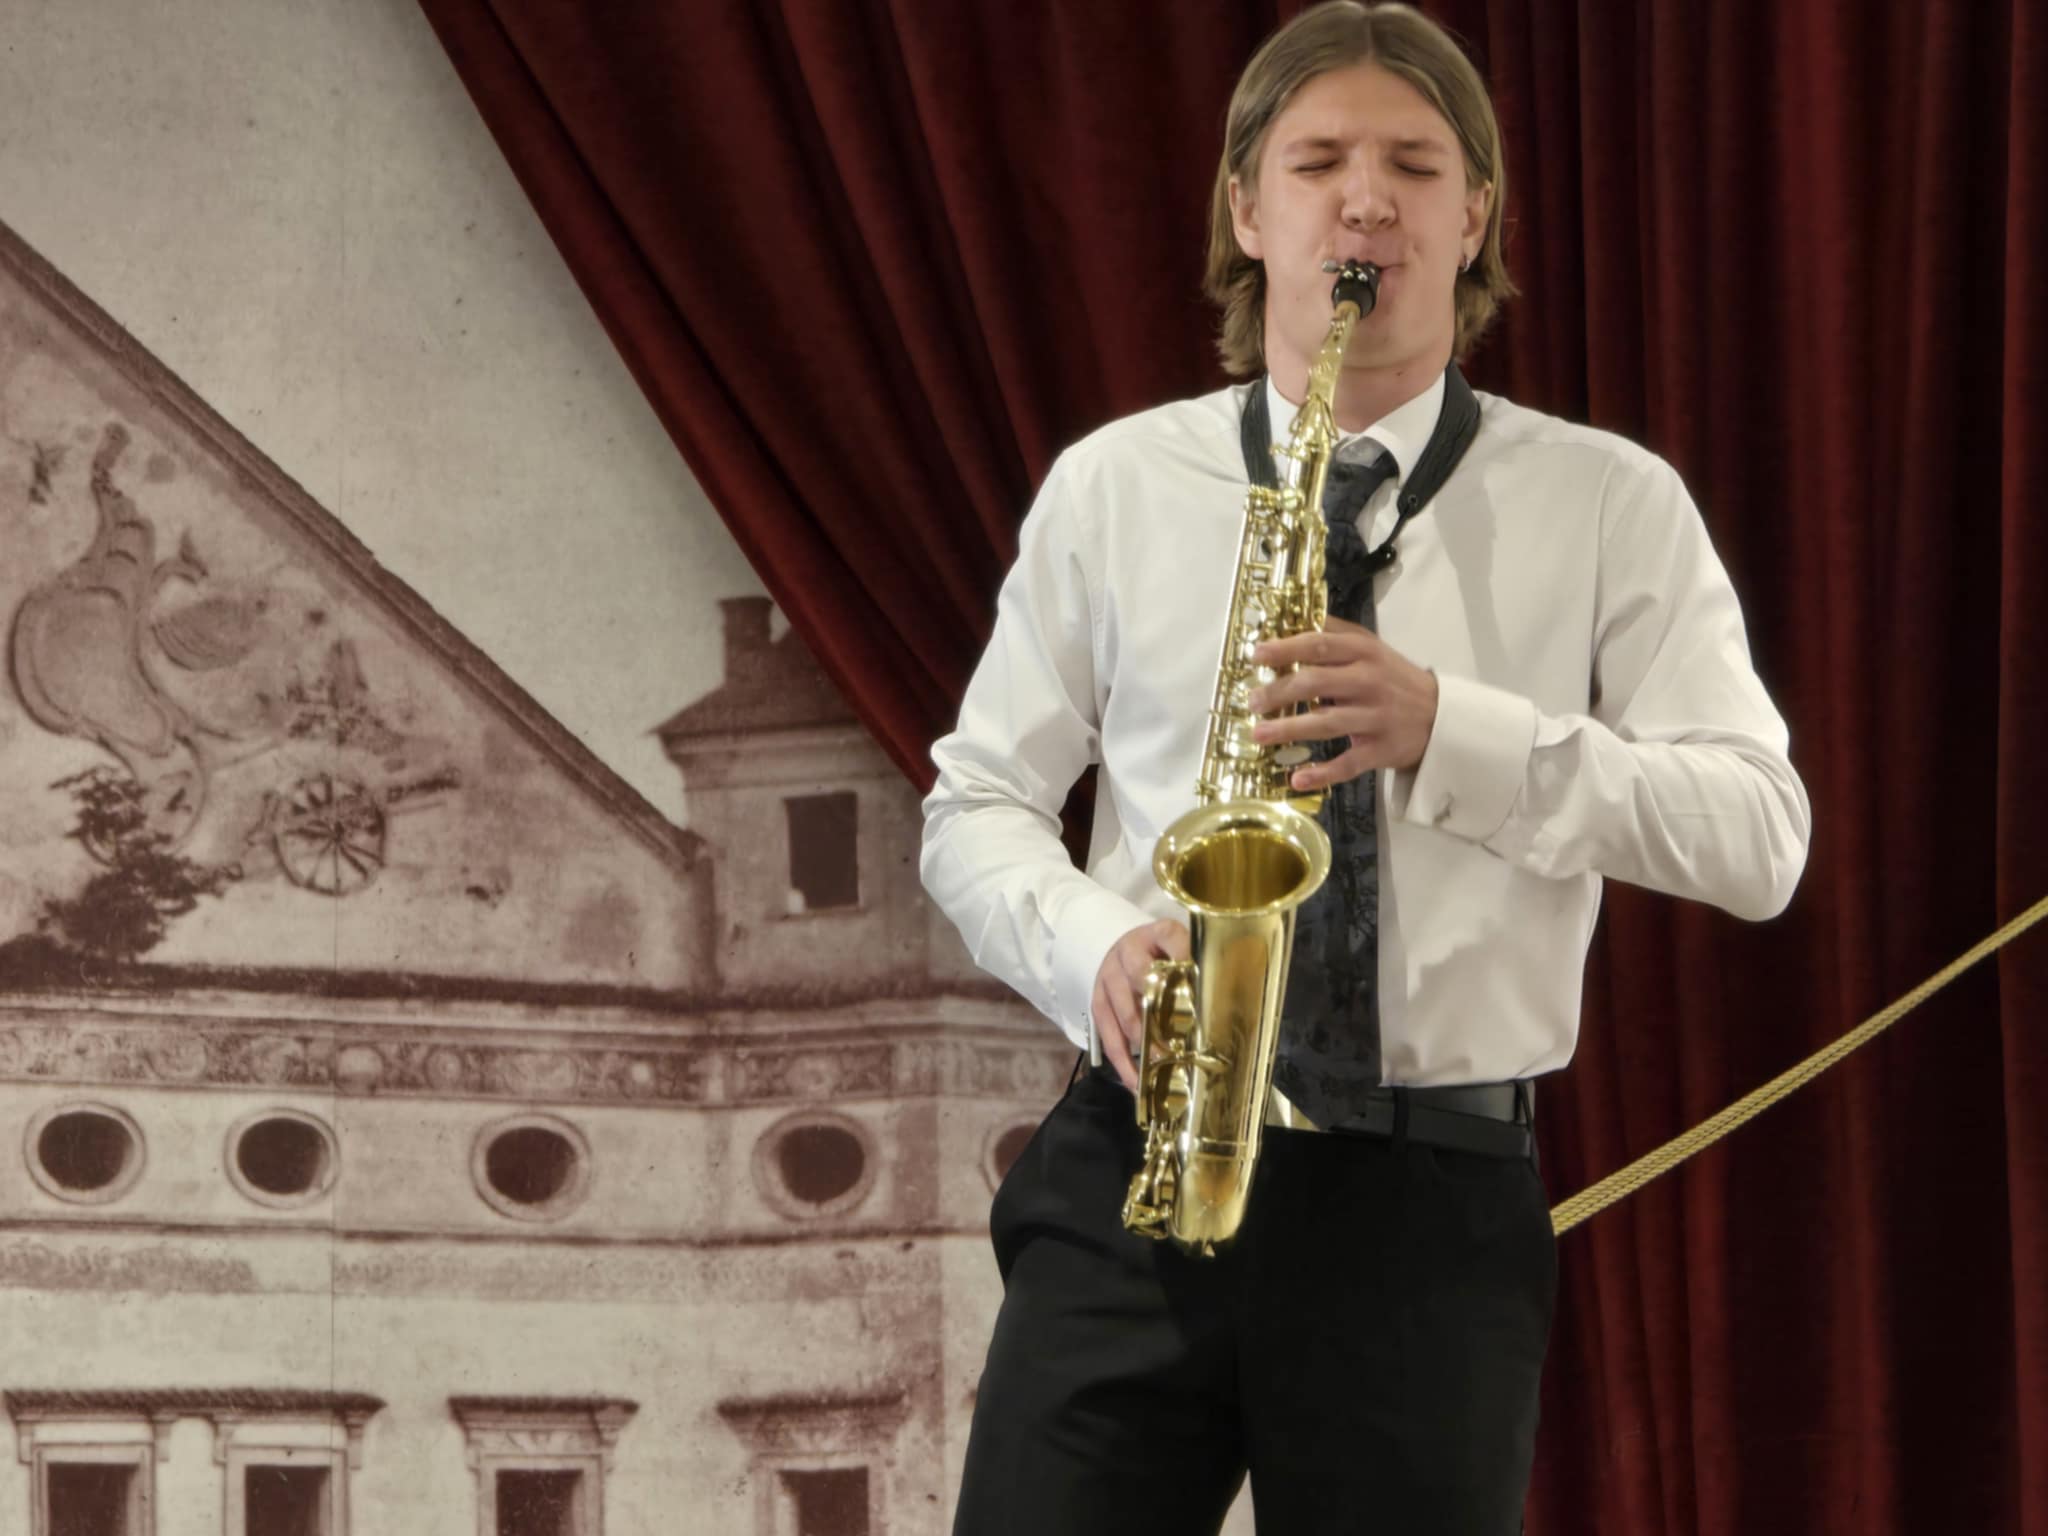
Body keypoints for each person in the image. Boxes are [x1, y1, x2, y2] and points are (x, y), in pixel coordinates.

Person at [920, 4, 1811, 1532]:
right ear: (1247, 210)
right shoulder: (1117, 485)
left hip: (1426, 1207)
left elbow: (1759, 837)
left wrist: (1456, 732)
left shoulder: (1610, 501)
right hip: (1139, 1158)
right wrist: (1090, 949)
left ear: (1476, 217)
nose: (1366, 202)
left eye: (1414, 164)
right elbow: (977, 803)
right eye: (1319, 160)